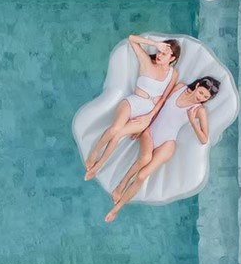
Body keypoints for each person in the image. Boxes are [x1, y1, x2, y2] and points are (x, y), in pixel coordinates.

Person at [106, 76, 220, 223]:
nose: (201, 98)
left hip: (168, 143)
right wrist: (144, 126)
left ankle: (116, 209)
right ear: (197, 85)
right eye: (201, 92)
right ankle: (122, 185)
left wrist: (192, 121)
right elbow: (160, 106)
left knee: (142, 176)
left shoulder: (199, 110)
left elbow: (204, 139)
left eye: (205, 97)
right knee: (145, 158)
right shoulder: (180, 87)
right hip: (150, 132)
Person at [84, 35, 181, 180]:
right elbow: (131, 39)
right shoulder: (147, 61)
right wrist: (155, 44)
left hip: (147, 114)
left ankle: (98, 166)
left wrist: (149, 117)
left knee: (118, 135)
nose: (159, 55)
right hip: (132, 103)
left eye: (164, 54)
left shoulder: (173, 74)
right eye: (159, 52)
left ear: (172, 58)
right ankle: (94, 153)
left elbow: (164, 99)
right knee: (115, 129)